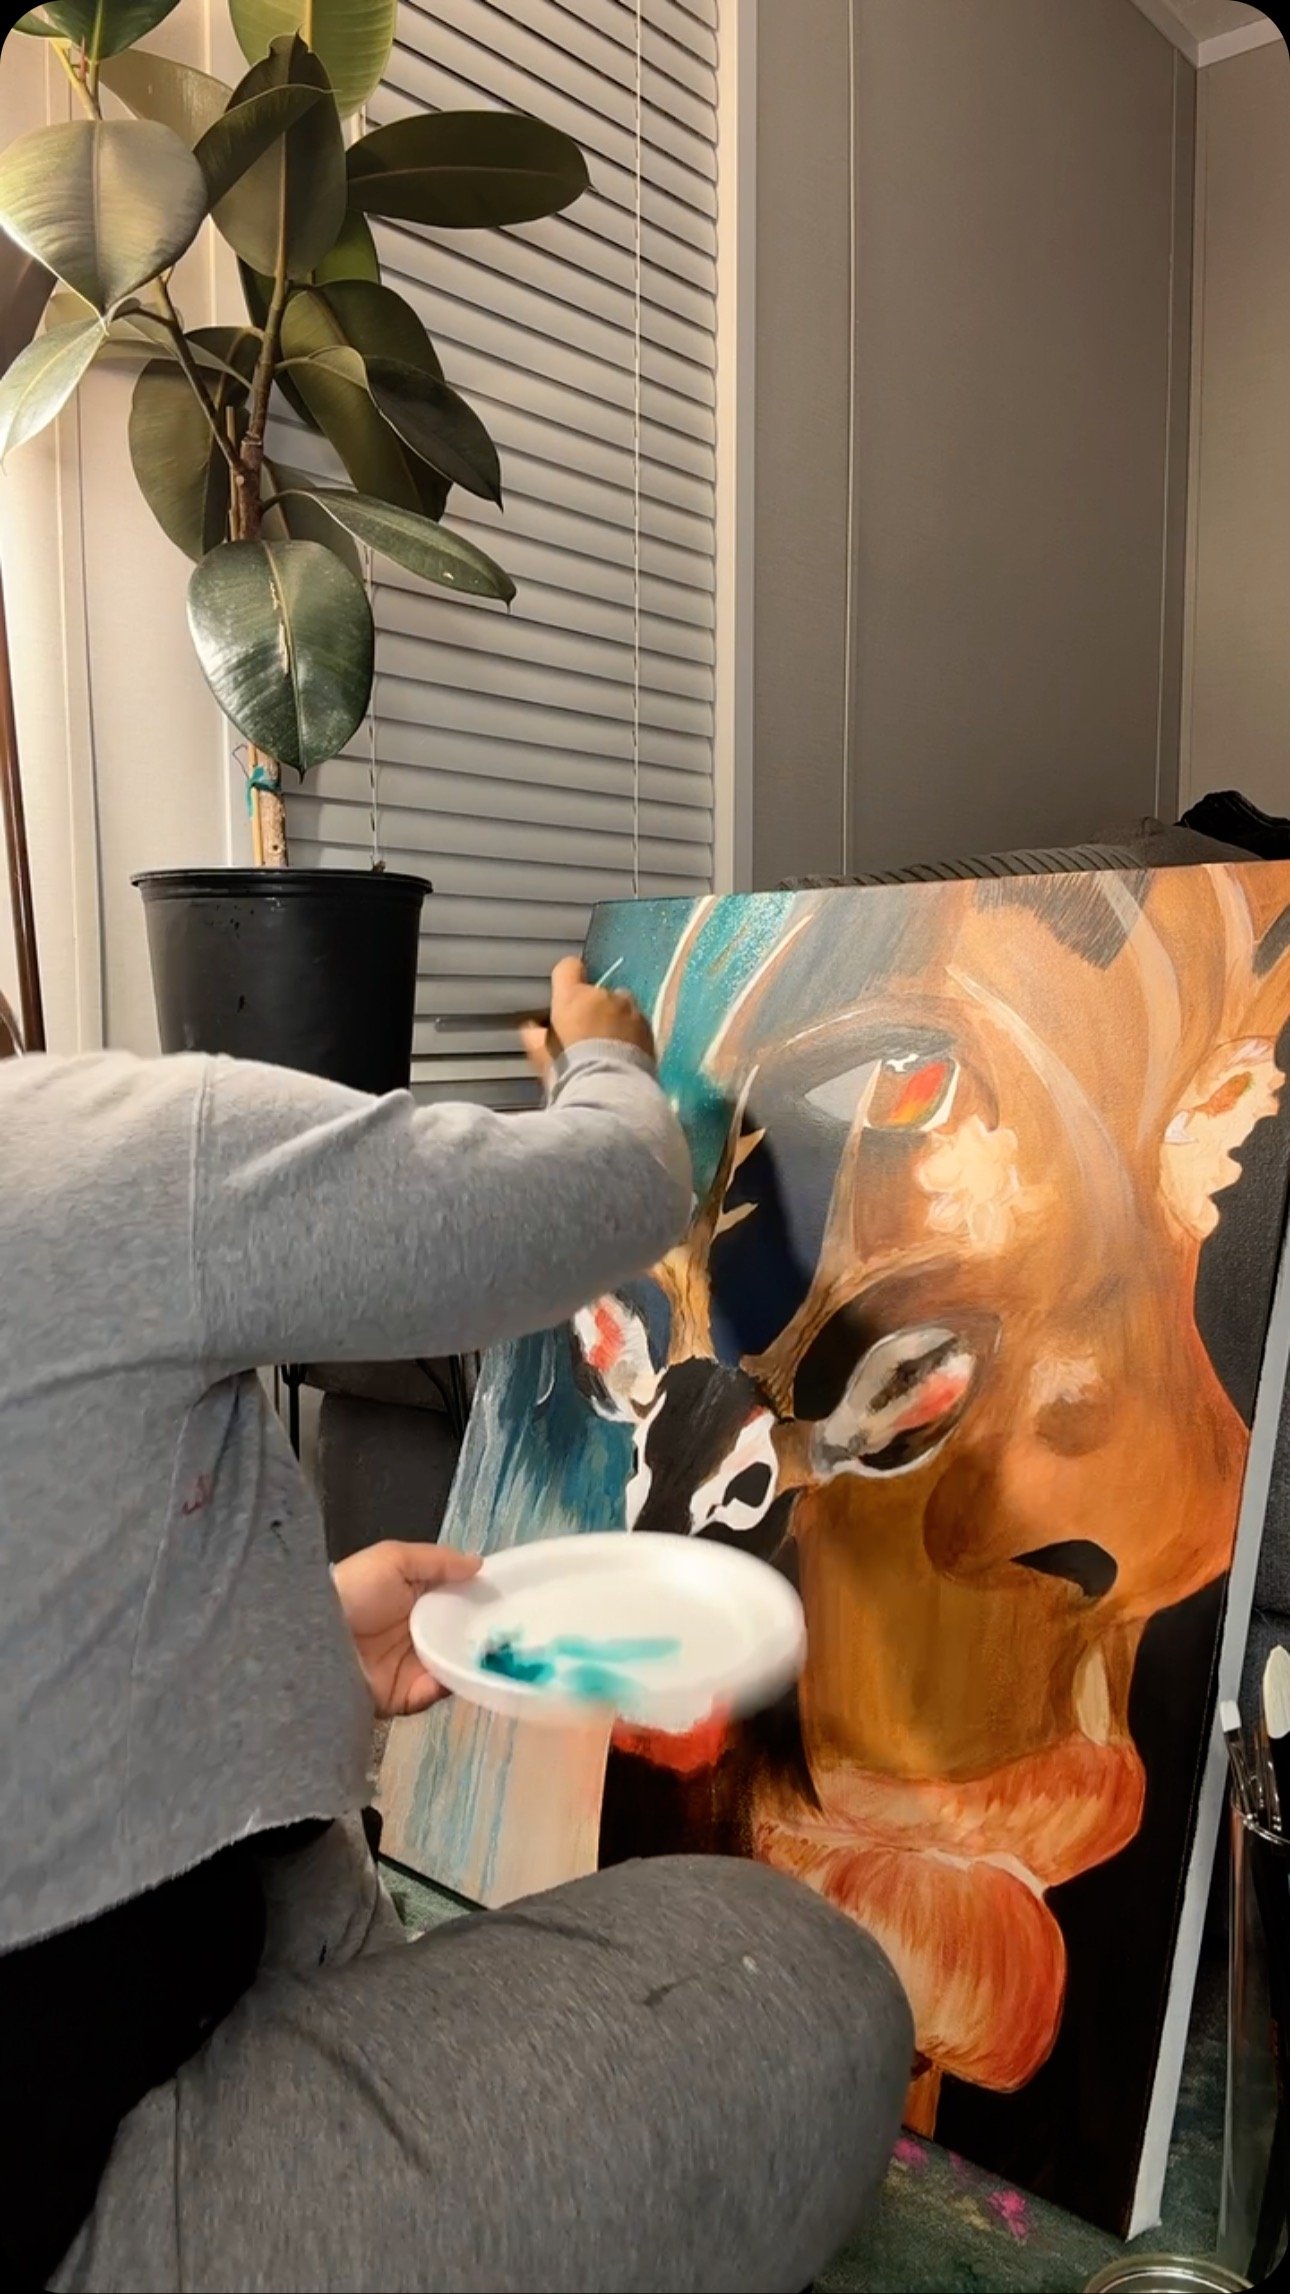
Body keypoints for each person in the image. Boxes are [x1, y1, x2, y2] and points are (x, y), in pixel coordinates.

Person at [0, 959, 912, 2294]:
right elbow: (607, 1193)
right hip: (68, 2202)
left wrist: (294, 1641)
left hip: (90, 2069)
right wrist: (607, 1060)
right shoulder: (77, 1144)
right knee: (792, 1982)